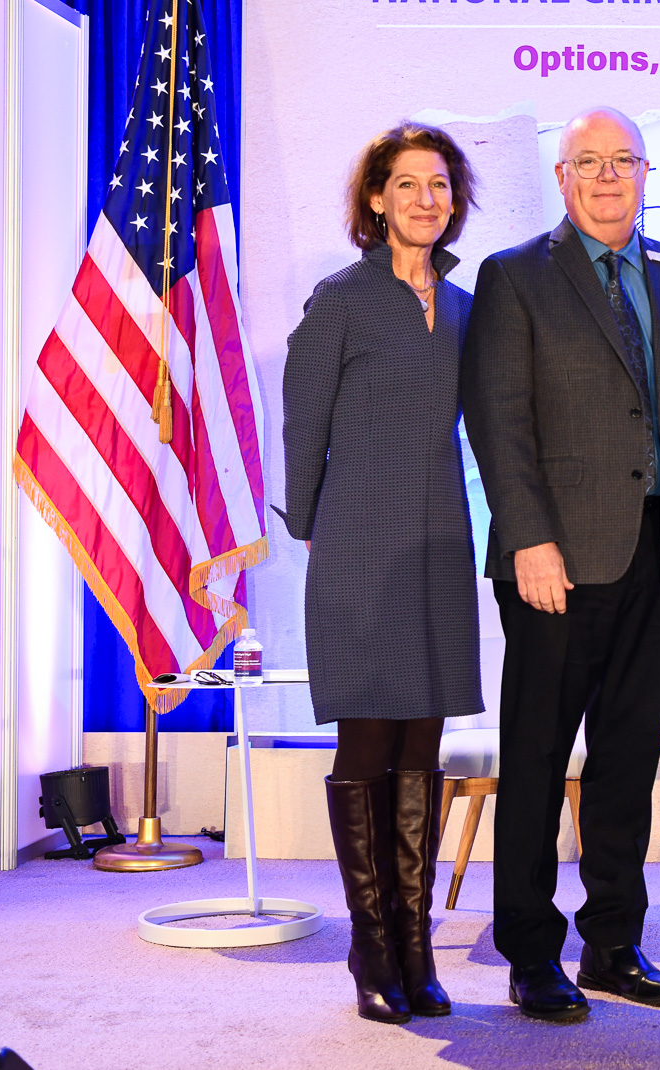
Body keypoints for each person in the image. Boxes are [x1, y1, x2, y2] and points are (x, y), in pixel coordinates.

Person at [461, 107, 660, 1023]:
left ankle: (614, 944)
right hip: (553, 560)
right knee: (537, 758)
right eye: (590, 161)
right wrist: (529, 537)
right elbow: (499, 422)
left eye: (624, 160)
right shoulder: (515, 277)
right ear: (563, 177)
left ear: (648, 172)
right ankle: (531, 952)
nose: (609, 176)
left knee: (628, 758)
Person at [280, 122, 484, 1024]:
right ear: (375, 199)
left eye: (439, 185)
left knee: (421, 749)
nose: (426, 200)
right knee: (366, 745)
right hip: (358, 540)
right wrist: (313, 525)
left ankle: (415, 944)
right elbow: (301, 428)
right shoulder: (341, 299)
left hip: (440, 538)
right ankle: (370, 950)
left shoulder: (469, 307)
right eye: (407, 185)